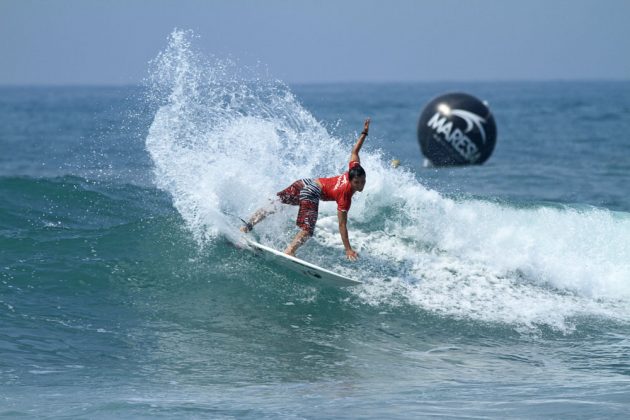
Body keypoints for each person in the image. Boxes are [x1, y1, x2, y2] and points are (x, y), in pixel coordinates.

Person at [241, 118, 370, 261]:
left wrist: (364, 133)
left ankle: (246, 227)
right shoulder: (345, 196)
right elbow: (342, 224)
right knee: (308, 230)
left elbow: (355, 152)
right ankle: (289, 251)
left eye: (363, 181)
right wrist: (348, 249)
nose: (361, 185)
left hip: (305, 182)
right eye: (357, 183)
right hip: (312, 191)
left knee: (277, 203)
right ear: (351, 181)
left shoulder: (354, 169)